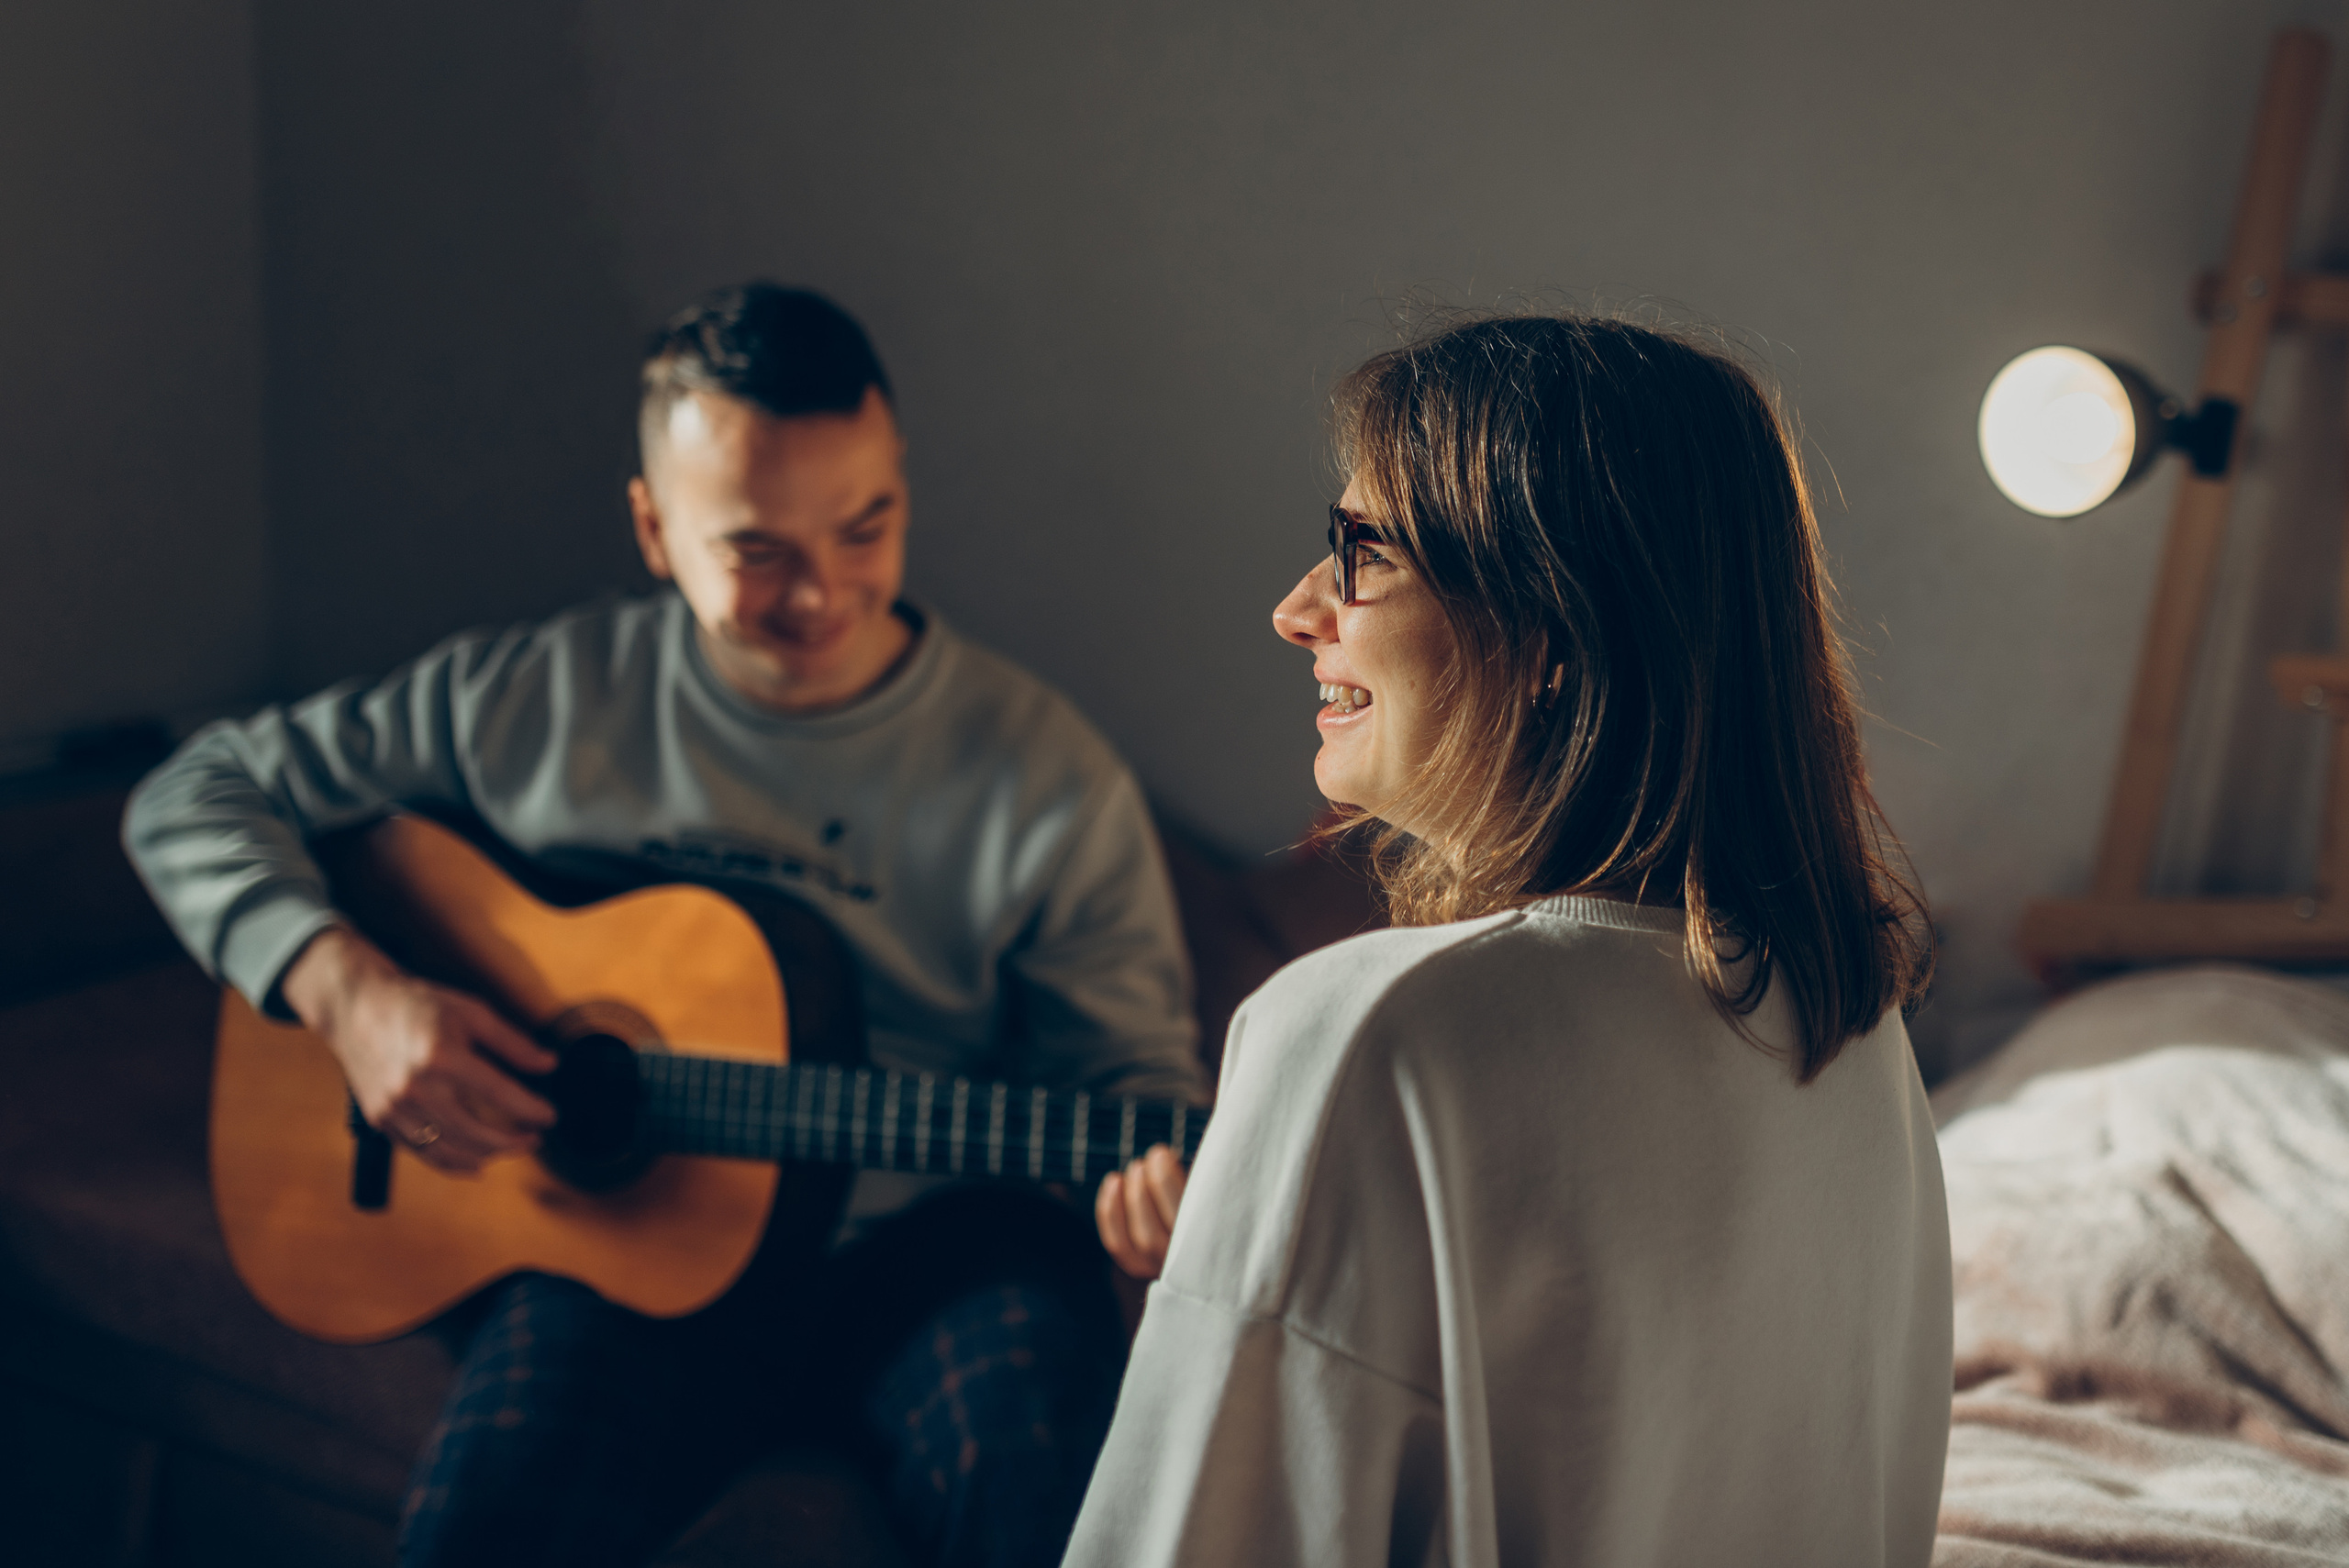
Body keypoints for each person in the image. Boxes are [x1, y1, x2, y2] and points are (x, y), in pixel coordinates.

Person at [123, 283, 1201, 1568]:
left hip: (930, 1247)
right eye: (758, 552)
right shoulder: (533, 695)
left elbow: (1130, 1078)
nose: (823, 594)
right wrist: (348, 992)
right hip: (613, 1241)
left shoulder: (1045, 772)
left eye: (867, 527)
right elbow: (191, 789)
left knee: (1041, 1480)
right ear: (652, 526)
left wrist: (1167, 1194)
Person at [1064, 314, 1952, 1566]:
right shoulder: (1853, 1031)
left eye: (1360, 553)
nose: (1296, 609)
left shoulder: (1365, 1030)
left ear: (1547, 629)